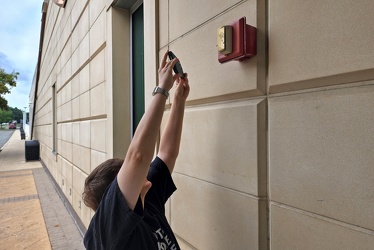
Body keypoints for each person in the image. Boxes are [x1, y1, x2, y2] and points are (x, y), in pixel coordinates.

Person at [82, 50, 190, 249]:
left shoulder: (146, 198)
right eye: (133, 175)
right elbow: (138, 156)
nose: (142, 172)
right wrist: (162, 89)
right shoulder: (108, 235)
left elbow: (167, 153)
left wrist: (179, 101)